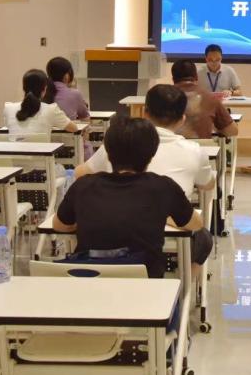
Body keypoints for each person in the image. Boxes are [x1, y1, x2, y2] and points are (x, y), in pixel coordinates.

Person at [74, 86, 215, 275]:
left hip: (103, 245)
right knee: (204, 238)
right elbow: (207, 188)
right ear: (182, 118)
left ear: (145, 113)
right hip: (158, 242)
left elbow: (81, 174)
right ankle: (183, 285)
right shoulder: (191, 154)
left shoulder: (120, 141)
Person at [52, 115, 206, 279]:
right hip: (145, 287)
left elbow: (59, 226)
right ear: (152, 154)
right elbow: (196, 224)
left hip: (89, 284)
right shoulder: (163, 187)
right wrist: (164, 216)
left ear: (107, 153)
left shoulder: (83, 185)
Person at [171, 60, 236, 140]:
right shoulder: (209, 98)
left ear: (173, 79)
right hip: (202, 147)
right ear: (196, 77)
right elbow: (232, 131)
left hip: (170, 147)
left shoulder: (163, 98)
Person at [5, 69, 81, 136]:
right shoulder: (51, 109)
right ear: (44, 89)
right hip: (42, 148)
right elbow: (74, 128)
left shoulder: (8, 108)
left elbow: (9, 126)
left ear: (24, 88)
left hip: (15, 148)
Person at [46, 57, 92, 121]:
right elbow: (85, 118)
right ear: (66, 75)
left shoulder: (41, 91)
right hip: (68, 127)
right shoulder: (75, 94)